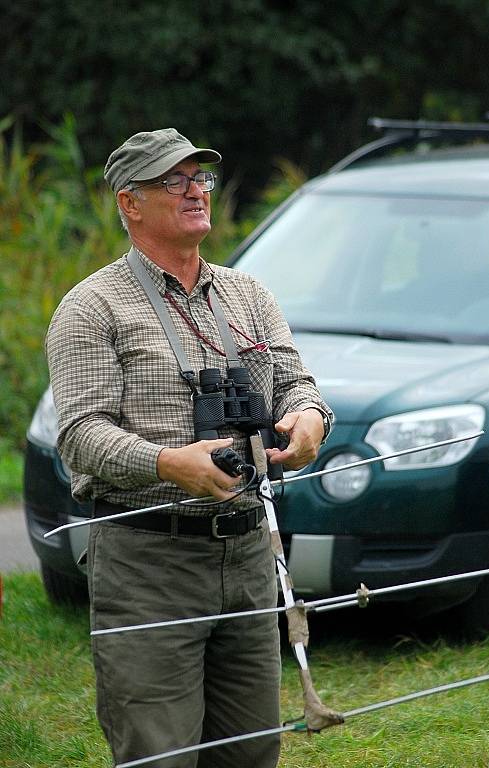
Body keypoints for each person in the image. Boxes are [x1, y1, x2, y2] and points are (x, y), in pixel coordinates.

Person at [46, 128, 333, 768]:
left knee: (251, 752)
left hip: (250, 553)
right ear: (131, 202)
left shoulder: (247, 294)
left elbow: (294, 382)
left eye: (200, 176)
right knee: (160, 754)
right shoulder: (91, 307)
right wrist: (166, 462)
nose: (196, 190)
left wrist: (308, 418)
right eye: (173, 180)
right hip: (150, 562)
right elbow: (80, 433)